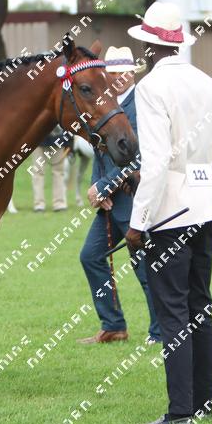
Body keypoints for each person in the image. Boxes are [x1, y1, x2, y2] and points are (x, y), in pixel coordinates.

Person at [124, 2, 212, 424]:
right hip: (207, 200)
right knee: (200, 304)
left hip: (171, 211)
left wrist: (137, 222)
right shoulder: (206, 81)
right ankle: (203, 403)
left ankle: (181, 410)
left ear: (149, 46)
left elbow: (157, 161)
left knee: (172, 311)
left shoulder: (150, 87)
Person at [78, 46, 161, 345]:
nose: (121, 77)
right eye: (114, 72)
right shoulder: (106, 103)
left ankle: (160, 332)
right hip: (112, 203)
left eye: (126, 71)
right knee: (91, 257)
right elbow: (100, 150)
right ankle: (113, 325)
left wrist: (103, 187)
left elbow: (138, 155)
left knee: (144, 268)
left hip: (135, 199)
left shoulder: (141, 104)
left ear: (132, 74)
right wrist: (99, 188)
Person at [30, 128, 68, 212]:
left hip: (58, 137)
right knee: (38, 171)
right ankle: (39, 204)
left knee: (58, 171)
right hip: (37, 137)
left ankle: (59, 204)